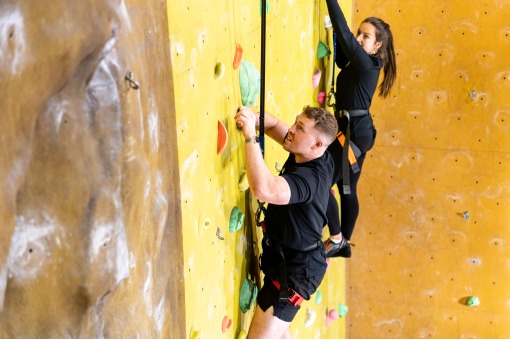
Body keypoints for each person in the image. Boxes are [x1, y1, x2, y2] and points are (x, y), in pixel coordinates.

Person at [235, 105, 338, 338]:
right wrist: (253, 117)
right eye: (295, 122)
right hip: (289, 261)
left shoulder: (310, 178)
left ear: (317, 145)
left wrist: (250, 136)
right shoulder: (311, 151)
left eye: (299, 128)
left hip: (294, 273)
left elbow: (264, 189)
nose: (290, 129)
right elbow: (272, 125)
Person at [323, 0, 397, 258]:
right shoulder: (361, 62)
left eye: (365, 36)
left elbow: (344, 34)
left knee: (322, 182)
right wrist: (334, 31)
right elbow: (344, 45)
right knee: (346, 188)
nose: (358, 38)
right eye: (359, 33)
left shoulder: (368, 65)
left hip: (355, 135)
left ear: (378, 46)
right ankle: (344, 243)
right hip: (357, 132)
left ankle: (337, 239)